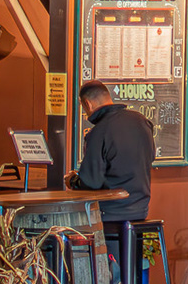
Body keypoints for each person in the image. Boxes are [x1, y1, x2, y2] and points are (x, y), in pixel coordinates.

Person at [66, 80, 156, 223]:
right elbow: (150, 157)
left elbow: (91, 182)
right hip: (140, 210)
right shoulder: (142, 121)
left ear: (87, 104)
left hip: (109, 213)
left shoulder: (98, 132)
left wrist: (72, 180)